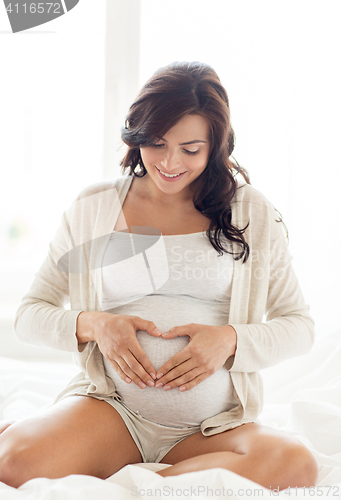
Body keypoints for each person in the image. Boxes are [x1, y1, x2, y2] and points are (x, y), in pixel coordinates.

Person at [0, 61, 318, 490]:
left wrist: (231, 340)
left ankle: (138, 480)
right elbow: (29, 315)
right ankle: (158, 479)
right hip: (114, 413)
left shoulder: (250, 211)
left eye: (190, 149)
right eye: (157, 143)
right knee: (14, 463)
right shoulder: (94, 208)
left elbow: (298, 325)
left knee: (297, 464)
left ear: (215, 147)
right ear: (138, 135)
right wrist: (97, 325)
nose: (169, 163)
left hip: (210, 428)